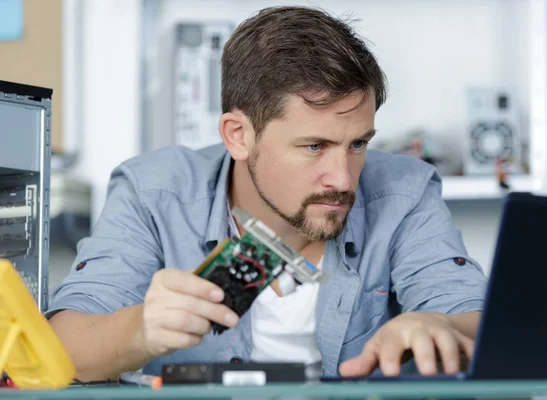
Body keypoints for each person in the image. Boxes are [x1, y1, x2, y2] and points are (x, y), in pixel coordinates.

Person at [47, 6, 488, 381]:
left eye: (358, 144)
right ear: (238, 135)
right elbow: (62, 347)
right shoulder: (154, 193)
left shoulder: (403, 191)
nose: (342, 178)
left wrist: (441, 323)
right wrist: (140, 330)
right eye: (314, 146)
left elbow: (477, 315)